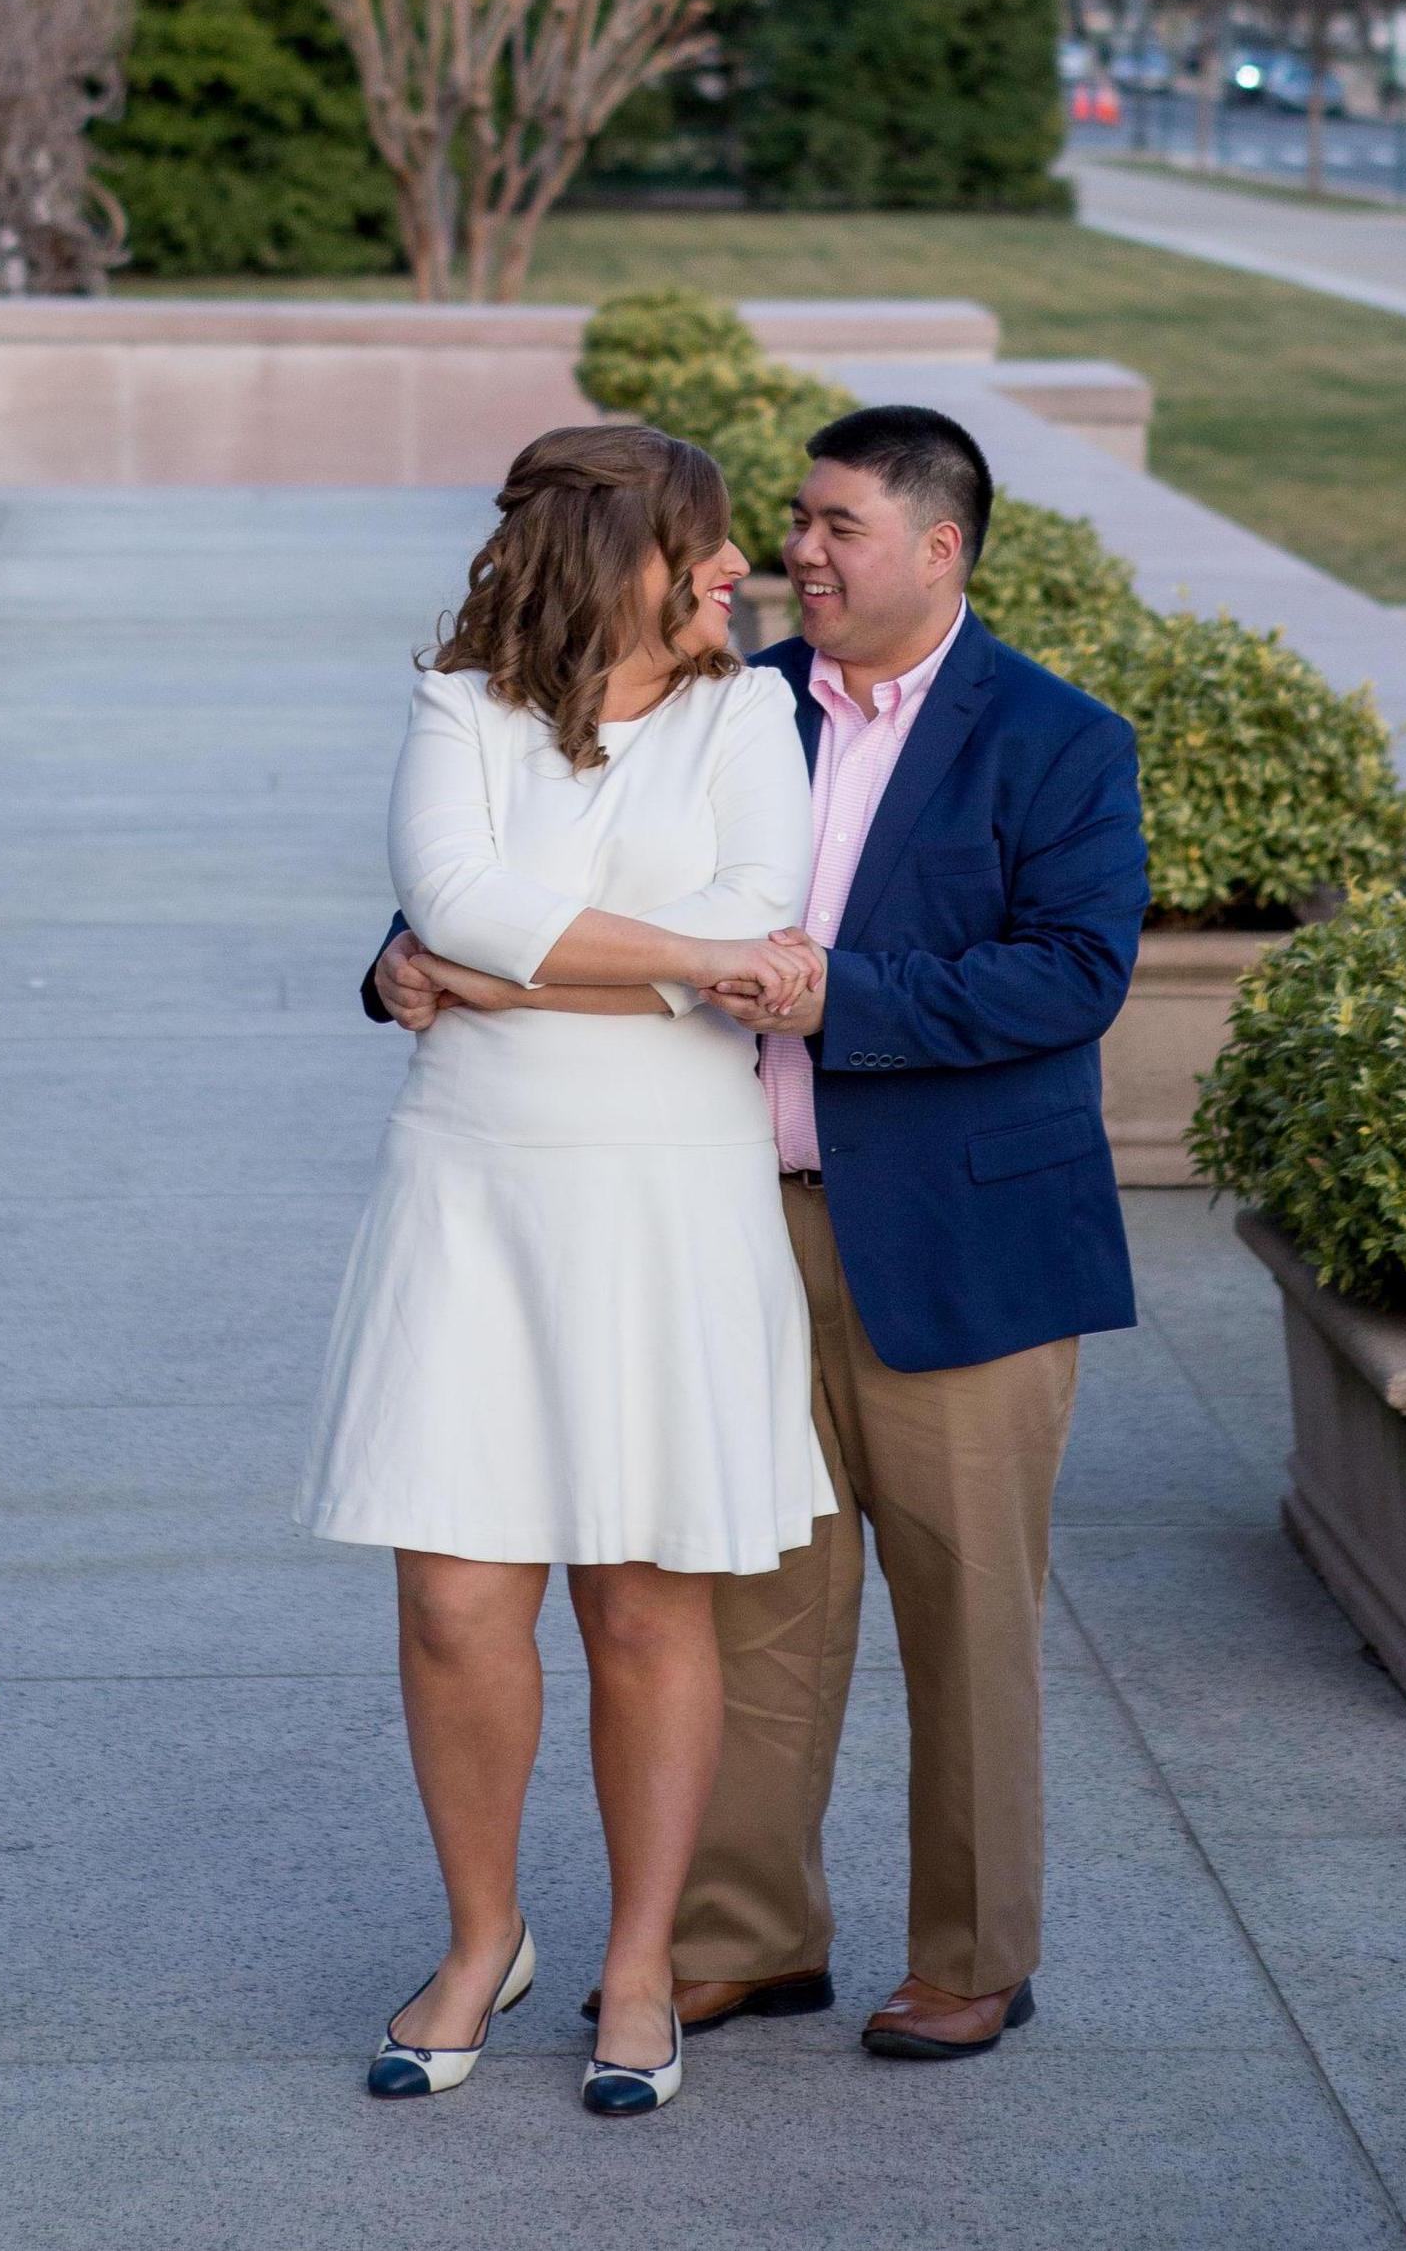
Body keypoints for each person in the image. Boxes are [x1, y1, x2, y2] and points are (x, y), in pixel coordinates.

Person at [371, 403, 1149, 2062]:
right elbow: (524, 854)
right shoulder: (733, 691)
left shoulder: (1056, 738)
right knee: (747, 1609)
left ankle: (969, 1952)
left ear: (940, 550)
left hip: (954, 1242)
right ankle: (739, 1934)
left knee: (963, 1611)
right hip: (725, 1217)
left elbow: (1069, 975)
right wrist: (404, 950)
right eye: (793, 515)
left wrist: (823, 988)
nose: (797, 549)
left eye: (838, 525)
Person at [299, 423, 836, 2117]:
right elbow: (449, 898)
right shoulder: (457, 709)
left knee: (639, 1594)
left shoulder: (751, 715)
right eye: (711, 545)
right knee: (456, 1596)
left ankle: (633, 1963)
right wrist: (687, 963)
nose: (739, 573)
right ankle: (481, 1941)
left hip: (668, 1200)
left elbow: (755, 916)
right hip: (472, 1187)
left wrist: (497, 965)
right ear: (620, 556)